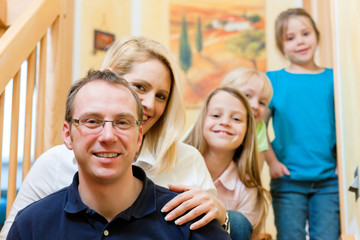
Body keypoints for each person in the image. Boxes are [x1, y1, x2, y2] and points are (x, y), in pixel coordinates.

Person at [0, 36, 227, 238]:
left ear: (138, 138)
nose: (149, 104)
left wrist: (223, 217)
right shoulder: (54, 165)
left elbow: (210, 228)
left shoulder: (187, 160)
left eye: (161, 96)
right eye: (139, 87)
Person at [264, 8, 339, 240]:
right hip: (288, 182)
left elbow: (348, 126)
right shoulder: (272, 80)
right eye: (290, 38)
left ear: (316, 36)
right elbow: (257, 127)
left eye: (305, 33)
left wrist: (343, 165)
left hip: (329, 181)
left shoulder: (334, 78)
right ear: (281, 45)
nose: (300, 42)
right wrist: (272, 162)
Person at [184, 87, 269, 240]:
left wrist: (223, 217)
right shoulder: (178, 162)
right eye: (216, 115)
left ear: (247, 131)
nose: (225, 122)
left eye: (236, 119)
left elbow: (241, 232)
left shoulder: (247, 188)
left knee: (238, 222)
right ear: (202, 121)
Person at [220, 67, 273, 168]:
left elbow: (255, 173)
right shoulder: (212, 123)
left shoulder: (259, 128)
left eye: (262, 102)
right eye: (247, 95)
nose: (255, 105)